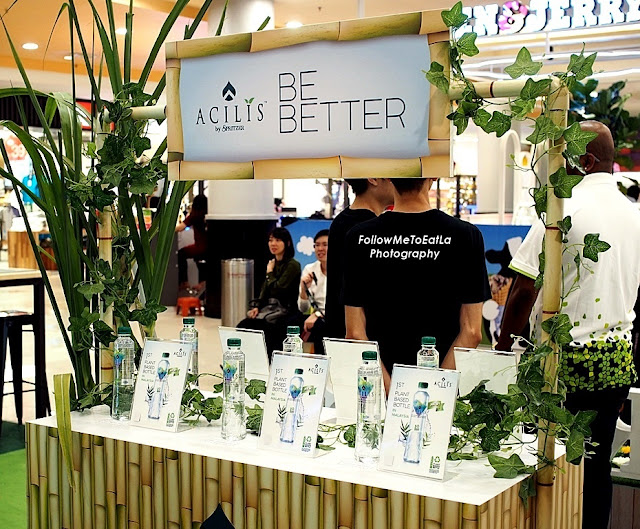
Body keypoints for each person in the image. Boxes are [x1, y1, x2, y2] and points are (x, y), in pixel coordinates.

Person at [496, 121, 640, 529]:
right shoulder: (634, 216)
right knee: (596, 466)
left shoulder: (562, 209)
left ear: (586, 160)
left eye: (566, 154)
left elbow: (523, 290)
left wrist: (504, 348)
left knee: (552, 467)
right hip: (615, 362)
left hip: (564, 364)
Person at [343, 177, 490, 393]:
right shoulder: (466, 236)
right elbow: (472, 331)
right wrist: (435, 391)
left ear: (389, 177)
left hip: (379, 390)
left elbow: (355, 333)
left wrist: (392, 394)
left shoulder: (358, 237)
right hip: (442, 389)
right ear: (434, 176)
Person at [325, 178, 395, 340]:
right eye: (392, 175)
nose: (397, 182)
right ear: (373, 179)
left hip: (342, 335)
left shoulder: (342, 220)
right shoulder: (366, 228)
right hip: (361, 338)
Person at [237, 227, 301, 355]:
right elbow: (265, 290)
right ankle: (246, 359)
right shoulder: (272, 263)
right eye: (271, 240)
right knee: (243, 325)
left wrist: (270, 273)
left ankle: (268, 360)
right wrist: (257, 307)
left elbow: (279, 288)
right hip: (270, 308)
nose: (273, 244)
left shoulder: (293, 265)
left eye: (278, 240)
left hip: (286, 309)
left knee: (267, 328)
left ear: (287, 243)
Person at [298, 229, 329, 353]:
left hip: (335, 316)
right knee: (290, 322)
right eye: (317, 245)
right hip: (316, 315)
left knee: (320, 327)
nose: (320, 249)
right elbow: (303, 308)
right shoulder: (309, 269)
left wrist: (317, 315)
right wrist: (303, 289)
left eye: (325, 245)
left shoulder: (343, 270)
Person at [175, 194, 207, 292]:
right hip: (209, 246)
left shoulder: (194, 215)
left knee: (181, 254)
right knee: (199, 258)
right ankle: (202, 282)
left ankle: (184, 282)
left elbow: (180, 228)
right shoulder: (207, 214)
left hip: (200, 247)